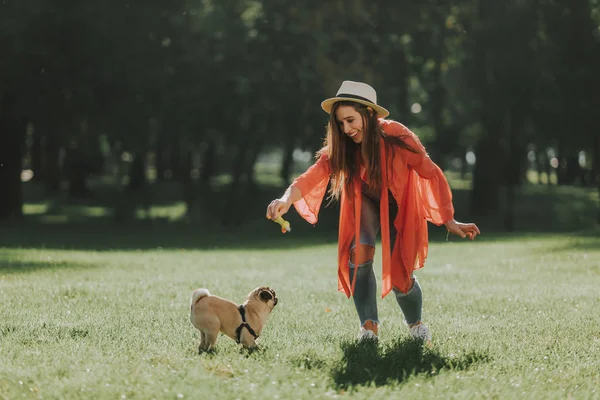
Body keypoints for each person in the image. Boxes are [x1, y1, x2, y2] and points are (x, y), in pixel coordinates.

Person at [266, 81, 480, 342]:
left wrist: (448, 218)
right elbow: (316, 173)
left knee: (402, 273)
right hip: (366, 198)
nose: (346, 129)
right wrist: (286, 198)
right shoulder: (345, 147)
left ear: (368, 113)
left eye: (350, 120)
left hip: (400, 202)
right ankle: (368, 327)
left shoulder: (398, 137)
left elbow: (431, 172)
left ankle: (416, 324)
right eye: (341, 124)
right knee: (359, 253)